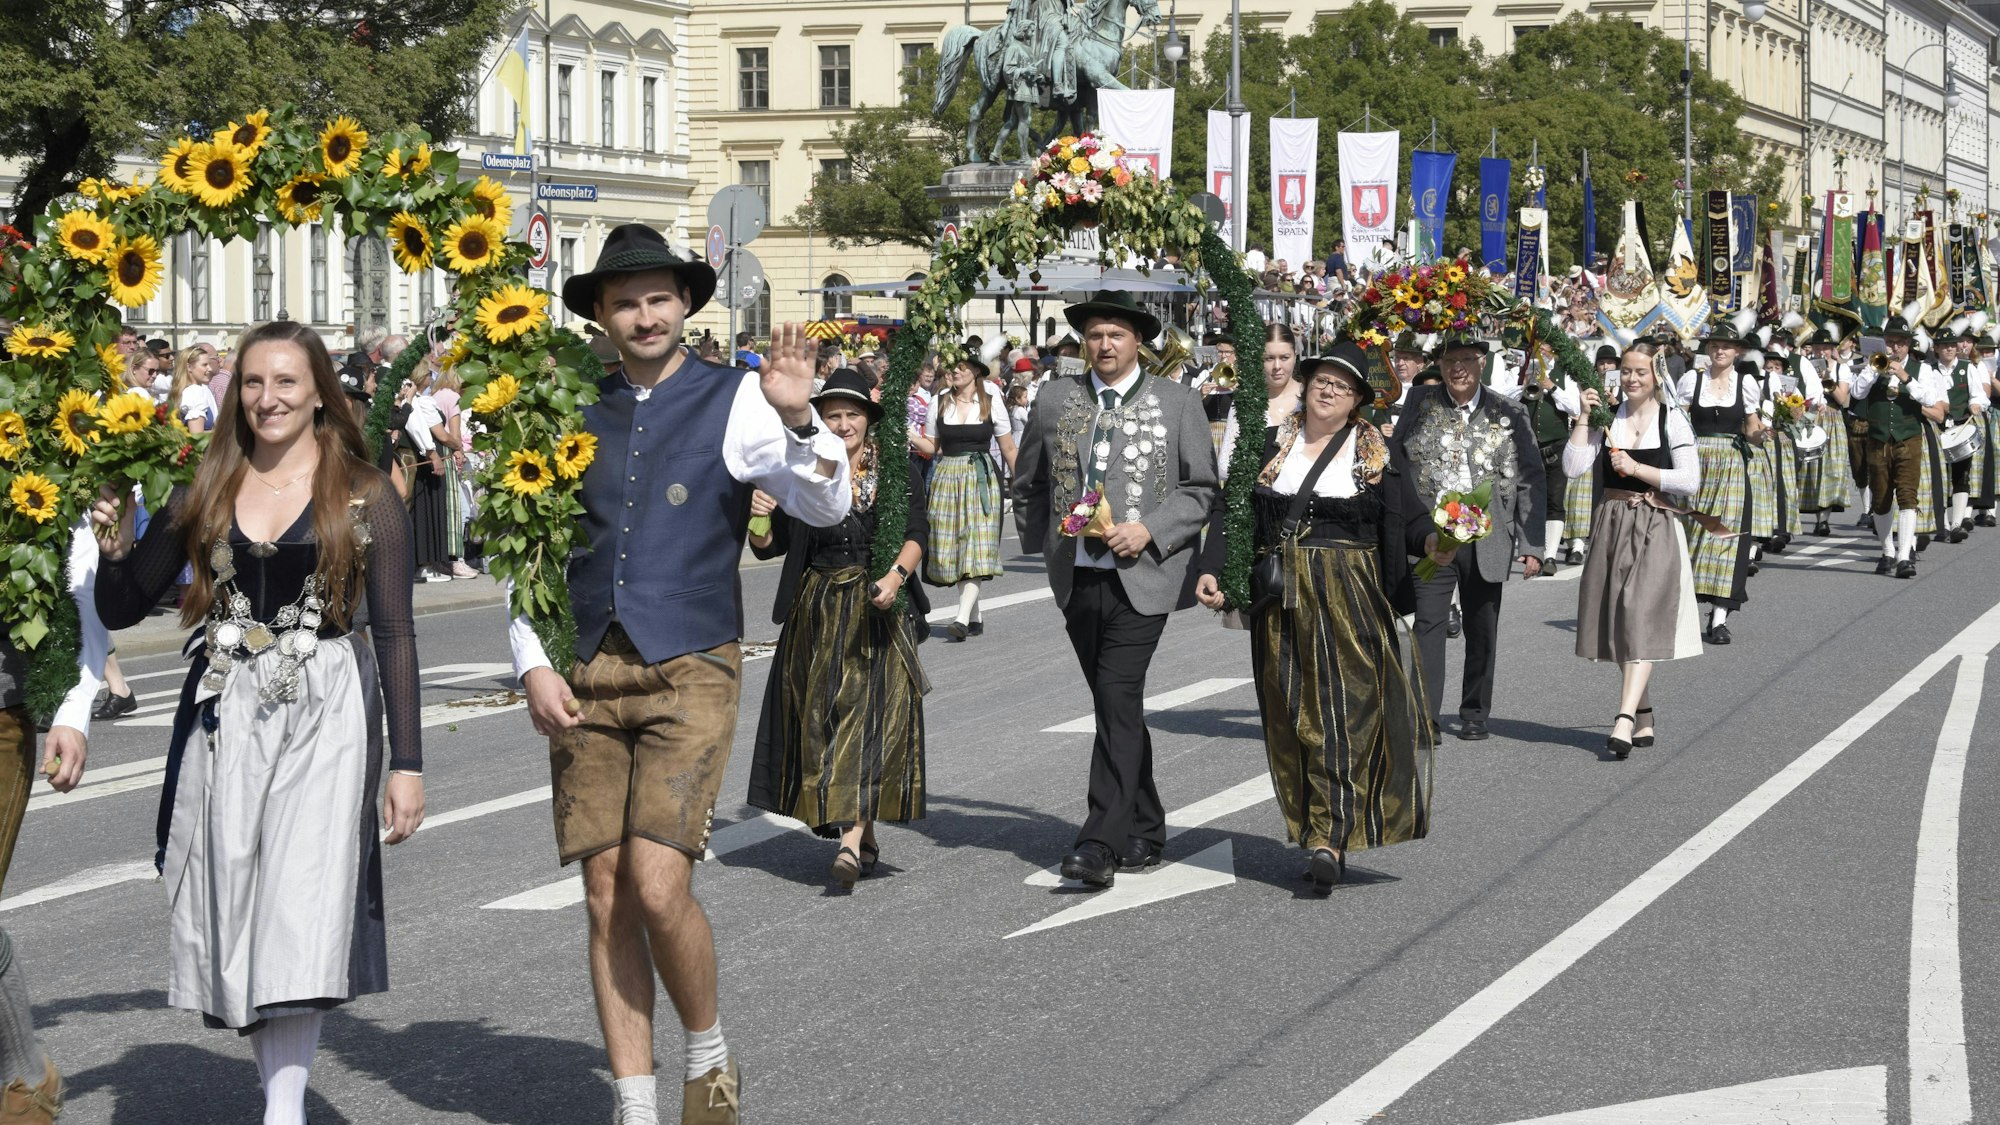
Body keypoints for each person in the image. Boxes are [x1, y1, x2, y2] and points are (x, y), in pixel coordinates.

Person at [513, 223, 850, 1125]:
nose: (645, 313)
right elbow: (529, 544)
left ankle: (707, 1052)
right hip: (586, 666)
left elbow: (828, 500)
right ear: (602, 316)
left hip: (692, 662)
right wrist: (532, 660)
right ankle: (636, 1105)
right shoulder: (565, 401)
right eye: (626, 301)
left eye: (659, 297)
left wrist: (799, 417)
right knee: (604, 890)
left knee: (660, 884)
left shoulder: (736, 398)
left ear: (685, 303)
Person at [91, 320, 425, 1125]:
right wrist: (111, 539)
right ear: (235, 393)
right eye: (252, 382)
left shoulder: (365, 489)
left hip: (327, 714)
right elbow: (122, 604)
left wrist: (406, 764)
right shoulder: (205, 484)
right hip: (226, 714)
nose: (267, 398)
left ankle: (283, 1110)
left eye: (284, 382)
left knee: (298, 908)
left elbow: (397, 632)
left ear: (319, 391)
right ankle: (280, 1096)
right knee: (238, 902)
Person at [1194, 343, 1442, 893]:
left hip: (1350, 590)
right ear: (1305, 385)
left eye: (1342, 385)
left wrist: (1437, 541)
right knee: (1288, 712)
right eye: (1322, 380)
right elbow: (1233, 508)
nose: (1328, 389)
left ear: (1356, 401)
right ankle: (1312, 826)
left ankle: (1331, 836)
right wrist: (1214, 570)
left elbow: (1413, 515)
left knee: (1343, 714)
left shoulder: (1372, 448)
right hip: (1280, 597)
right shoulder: (1271, 442)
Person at [1013, 290, 1220, 888]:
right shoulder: (1056, 397)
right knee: (1115, 706)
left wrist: (1148, 530)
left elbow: (1201, 487)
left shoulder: (1176, 401)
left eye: (1117, 335)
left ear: (1138, 343)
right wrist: (1045, 543)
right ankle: (1147, 826)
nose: (1105, 345)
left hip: (1143, 577)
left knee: (1116, 693)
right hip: (1077, 574)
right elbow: (1028, 478)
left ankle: (1099, 841)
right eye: (1096, 335)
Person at [746, 369, 929, 888]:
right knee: (822, 721)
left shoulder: (896, 469)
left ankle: (850, 842)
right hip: (818, 608)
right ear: (821, 422)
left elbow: (917, 532)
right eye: (833, 416)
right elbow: (770, 545)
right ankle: (864, 835)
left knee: (866, 720)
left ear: (868, 421)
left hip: (879, 606)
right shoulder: (802, 468)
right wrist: (759, 515)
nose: (844, 423)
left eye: (852, 415)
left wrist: (895, 577)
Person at [1391, 331, 1546, 740]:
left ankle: (1475, 712)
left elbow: (1531, 478)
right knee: (1427, 623)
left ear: (1482, 363)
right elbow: (1398, 463)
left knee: (1482, 627)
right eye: (1448, 361)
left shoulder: (1509, 411)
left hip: (1487, 538)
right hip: (1430, 537)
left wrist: (1532, 545)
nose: (1456, 368)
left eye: (1465, 360)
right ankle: (1425, 717)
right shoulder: (1419, 404)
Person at [1567, 343, 1702, 758]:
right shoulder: (1609, 418)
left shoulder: (1672, 419)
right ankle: (1642, 710)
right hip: (1612, 522)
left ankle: (1623, 719)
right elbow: (1573, 468)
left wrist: (1638, 469)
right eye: (1625, 371)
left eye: (1640, 372)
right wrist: (1586, 417)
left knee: (1640, 615)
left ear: (1657, 375)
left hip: (1655, 524)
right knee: (1621, 621)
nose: (1631, 378)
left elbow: (1689, 481)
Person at [1676, 321, 1762, 638]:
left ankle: (1719, 619)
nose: (1720, 350)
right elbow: (1678, 418)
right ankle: (1682, 611)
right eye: (1714, 346)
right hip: (1695, 459)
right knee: (1691, 534)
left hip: (1730, 462)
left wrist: (1764, 433)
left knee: (1727, 536)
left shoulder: (1746, 384)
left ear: (1737, 351)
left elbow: (1752, 430)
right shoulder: (1691, 380)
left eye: (1726, 346)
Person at [923, 356, 1016, 641]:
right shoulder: (938, 401)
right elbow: (932, 447)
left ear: (976, 370)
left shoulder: (991, 400)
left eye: (962, 365)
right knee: (954, 544)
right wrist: (909, 436)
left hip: (982, 478)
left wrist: (1024, 483)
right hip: (947, 477)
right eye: (952, 366)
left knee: (975, 543)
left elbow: (1009, 446)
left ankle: (961, 619)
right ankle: (974, 613)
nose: (956, 370)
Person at [1850, 315, 1948, 579]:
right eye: (1890, 342)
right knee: (1881, 499)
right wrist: (1872, 370)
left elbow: (1929, 398)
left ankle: (1905, 556)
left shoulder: (1922, 369)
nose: (1894, 348)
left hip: (1909, 438)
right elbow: (1856, 394)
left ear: (1908, 345)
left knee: (1907, 495)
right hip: (1878, 440)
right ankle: (1887, 551)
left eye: (1899, 343)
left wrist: (1905, 377)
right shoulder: (1873, 365)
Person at [1797, 325, 1853, 536]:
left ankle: (1824, 520)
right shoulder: (1804, 366)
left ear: (1832, 349)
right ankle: (1801, 512)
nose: (1822, 352)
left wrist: (1827, 378)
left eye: (1826, 348)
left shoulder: (1841, 369)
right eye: (1819, 347)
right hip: (1810, 416)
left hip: (1831, 416)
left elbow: (1843, 399)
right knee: (1807, 467)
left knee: (1831, 465)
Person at [168, 346, 219, 434]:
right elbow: (196, 435)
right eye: (204, 365)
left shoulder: (187, 390)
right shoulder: (195, 391)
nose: (209, 369)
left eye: (209, 364)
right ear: (189, 367)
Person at [1261, 323, 1302, 426]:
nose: (1277, 366)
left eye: (1284, 358)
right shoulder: (1248, 400)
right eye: (1269, 358)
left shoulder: (1309, 396)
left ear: (1295, 356)